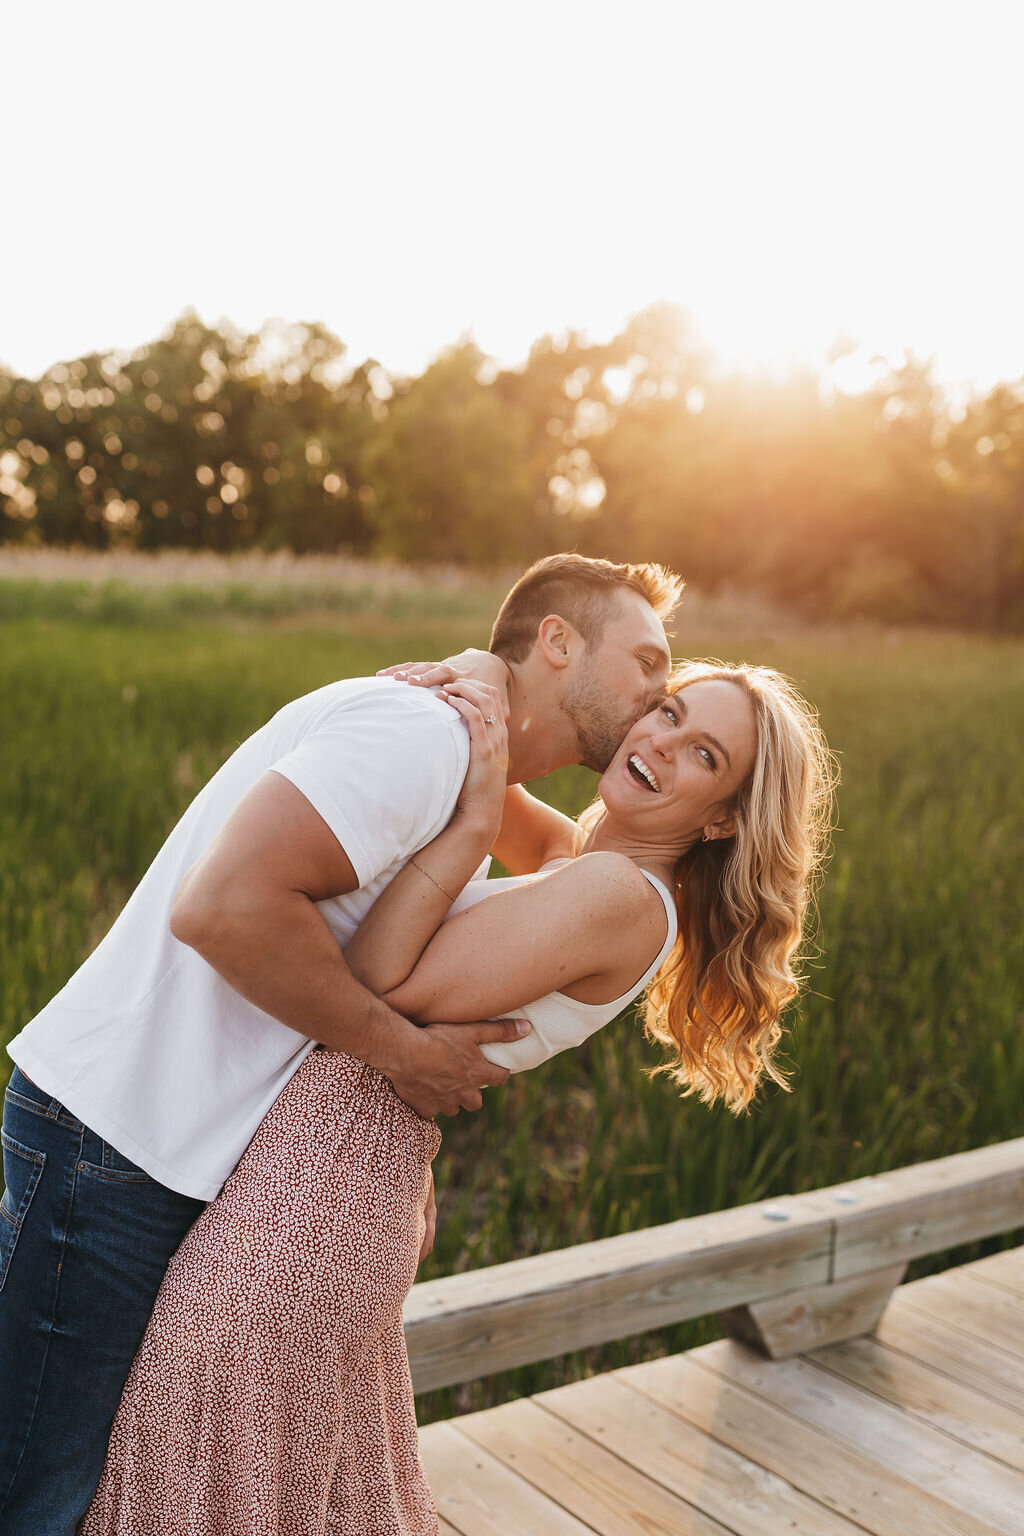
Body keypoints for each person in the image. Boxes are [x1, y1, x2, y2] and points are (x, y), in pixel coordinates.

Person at [0, 553, 682, 1535]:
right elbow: (225, 909)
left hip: (167, 1139)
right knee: (36, 1483)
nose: (663, 692)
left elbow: (586, 869)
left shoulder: (462, 759)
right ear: (558, 642)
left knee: (85, 1484)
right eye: (649, 663)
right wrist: (401, 1052)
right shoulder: (423, 739)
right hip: (119, 1132)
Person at [80, 658, 835, 1533]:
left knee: (193, 1466)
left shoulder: (617, 895)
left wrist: (469, 826)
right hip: (335, 1182)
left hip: (314, 1200)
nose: (660, 743)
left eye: (703, 754)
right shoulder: (587, 862)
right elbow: (487, 741)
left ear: (724, 818)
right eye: (667, 712)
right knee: (272, 1487)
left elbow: (373, 984)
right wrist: (473, 674)